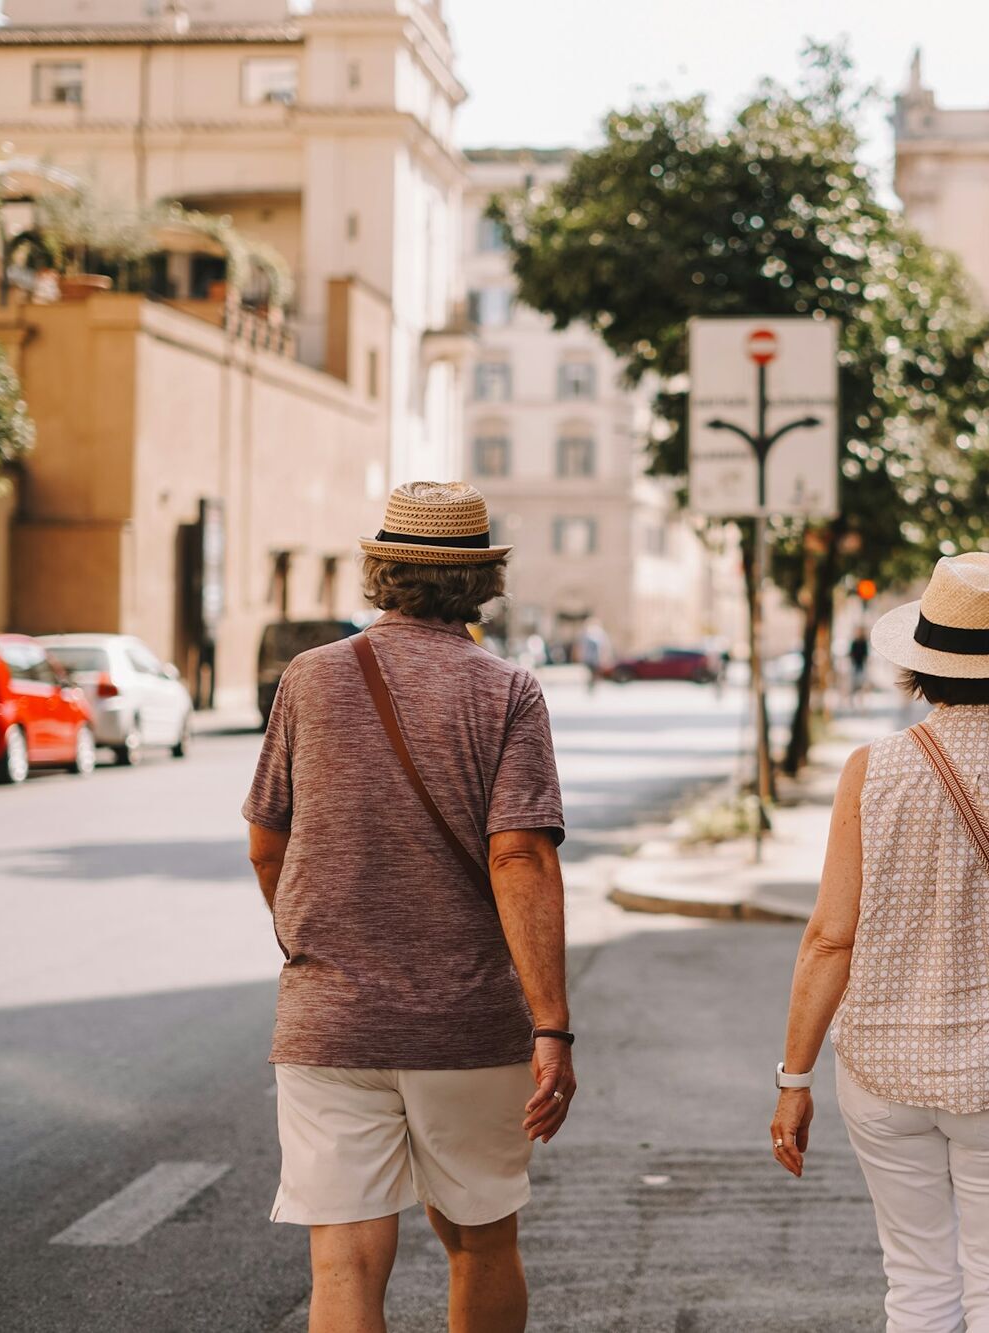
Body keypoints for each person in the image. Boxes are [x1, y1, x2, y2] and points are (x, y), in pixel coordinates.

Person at [767, 552, 989, 1333]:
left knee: (920, 1289)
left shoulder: (874, 769)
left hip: (884, 1067)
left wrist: (793, 1078)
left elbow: (831, 939)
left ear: (922, 666)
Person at [245, 481, 576, 1333]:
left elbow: (266, 842)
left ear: (379, 570)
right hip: (466, 1023)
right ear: (482, 581)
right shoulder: (507, 690)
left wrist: (312, 944)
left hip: (331, 1022)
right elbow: (520, 856)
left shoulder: (309, 678)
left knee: (344, 1262)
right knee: (480, 1242)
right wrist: (550, 1025)